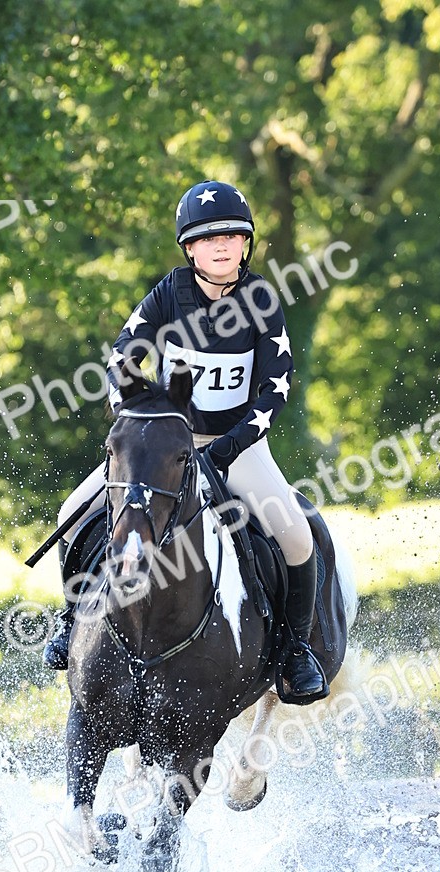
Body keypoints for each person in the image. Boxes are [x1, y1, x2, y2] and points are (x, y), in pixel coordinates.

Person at [43, 179, 326, 700]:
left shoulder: (262, 300)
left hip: (236, 446)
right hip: (166, 447)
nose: (221, 245)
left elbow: (274, 390)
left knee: (296, 535)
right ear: (190, 248)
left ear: (246, 244)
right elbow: (123, 355)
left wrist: (226, 446)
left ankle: (293, 651)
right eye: (208, 238)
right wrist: (131, 409)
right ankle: (71, 622)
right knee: (71, 514)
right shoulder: (169, 293)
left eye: (232, 236)